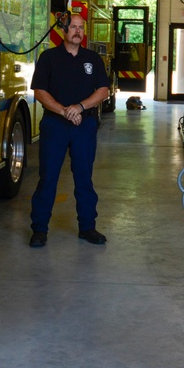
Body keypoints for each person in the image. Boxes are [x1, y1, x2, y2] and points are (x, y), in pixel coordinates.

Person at [28, 13, 110, 248]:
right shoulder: (49, 58)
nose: (77, 31)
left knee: (84, 178)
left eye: (81, 28)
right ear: (64, 31)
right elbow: (40, 92)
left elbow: (103, 90)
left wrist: (79, 107)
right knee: (48, 178)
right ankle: (39, 229)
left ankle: (87, 227)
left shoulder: (93, 59)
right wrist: (64, 111)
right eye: (73, 27)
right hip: (55, 125)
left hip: (84, 125)